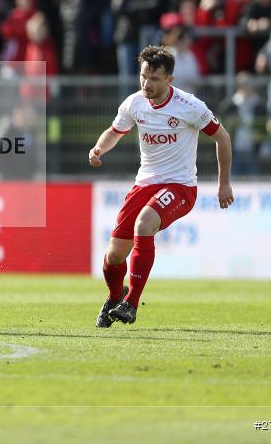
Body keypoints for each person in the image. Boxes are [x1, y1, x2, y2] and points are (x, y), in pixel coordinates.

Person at [88, 46, 234, 326]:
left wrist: (224, 183)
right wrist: (98, 149)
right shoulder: (134, 103)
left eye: (154, 79)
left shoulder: (191, 107)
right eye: (143, 77)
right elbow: (114, 131)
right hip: (144, 184)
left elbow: (223, 139)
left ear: (170, 80)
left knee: (144, 224)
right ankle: (115, 296)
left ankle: (131, 304)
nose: (147, 84)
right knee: (114, 254)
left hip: (180, 187)